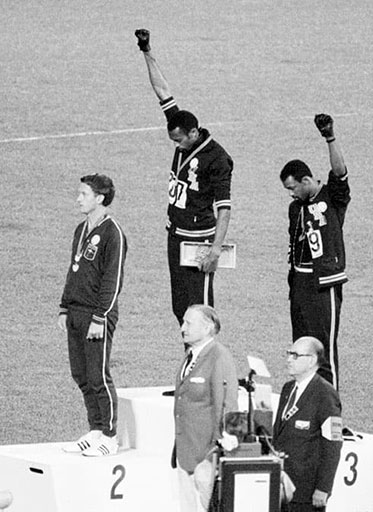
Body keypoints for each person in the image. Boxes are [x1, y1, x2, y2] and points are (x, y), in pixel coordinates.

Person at [135, 29, 234, 326]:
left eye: (179, 141)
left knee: (200, 312)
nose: (176, 146)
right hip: (175, 236)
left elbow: (225, 208)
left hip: (198, 241)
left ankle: (208, 368)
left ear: (193, 133)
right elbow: (162, 90)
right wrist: (146, 50)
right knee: (181, 309)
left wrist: (215, 249)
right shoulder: (181, 128)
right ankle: (192, 364)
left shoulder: (217, 159)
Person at [58, 174, 127, 457]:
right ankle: (95, 429)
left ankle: (110, 436)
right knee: (81, 374)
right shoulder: (81, 228)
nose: (78, 198)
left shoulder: (113, 233)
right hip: (75, 311)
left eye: (83, 194)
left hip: (96, 316)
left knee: (98, 375)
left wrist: (101, 317)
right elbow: (73, 269)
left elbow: (113, 280)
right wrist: (64, 306)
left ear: (99, 198)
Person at [279, 114, 351, 389]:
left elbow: (340, 172)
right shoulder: (295, 208)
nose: (291, 194)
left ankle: (331, 414)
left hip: (323, 284)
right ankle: (307, 406)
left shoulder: (332, 198)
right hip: (299, 284)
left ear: (306, 179)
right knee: (302, 348)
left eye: (292, 187)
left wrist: (329, 137)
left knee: (324, 350)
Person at [173, 304, 238, 512]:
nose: (183, 328)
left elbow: (229, 401)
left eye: (188, 323)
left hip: (208, 455)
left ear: (208, 327)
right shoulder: (190, 356)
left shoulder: (219, 356)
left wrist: (228, 441)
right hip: (185, 452)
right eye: (183, 322)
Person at [273, 336, 343, 512]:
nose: (289, 359)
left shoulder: (325, 394)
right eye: (289, 353)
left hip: (307, 491)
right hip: (282, 485)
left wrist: (323, 488)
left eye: (295, 355)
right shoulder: (288, 389)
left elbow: (332, 445)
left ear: (311, 360)